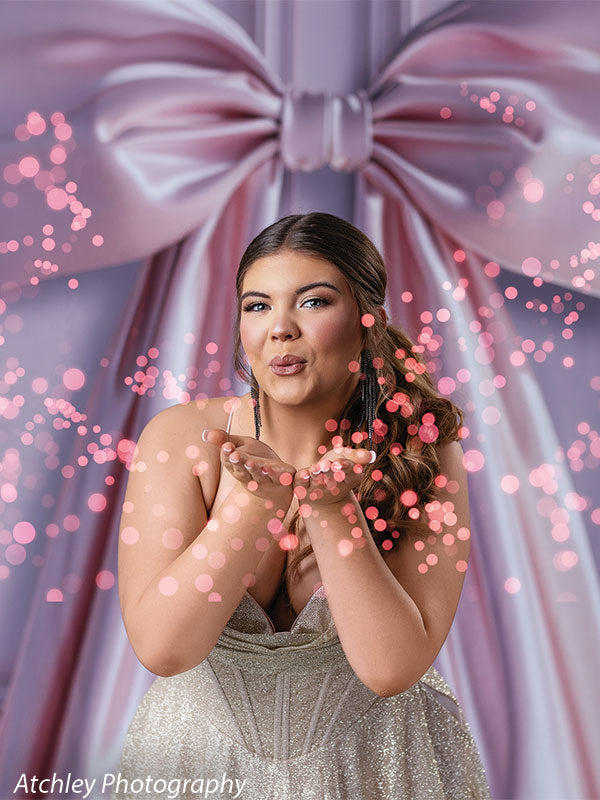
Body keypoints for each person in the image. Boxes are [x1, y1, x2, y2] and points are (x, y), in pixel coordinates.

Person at [112, 212, 492, 799]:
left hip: (380, 769)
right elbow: (163, 649)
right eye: (257, 306)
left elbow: (391, 669)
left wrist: (333, 509)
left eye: (313, 302)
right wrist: (253, 504)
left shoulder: (423, 450)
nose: (280, 329)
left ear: (368, 320)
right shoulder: (181, 440)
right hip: (196, 764)